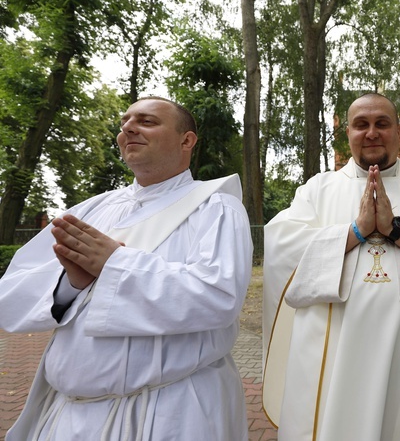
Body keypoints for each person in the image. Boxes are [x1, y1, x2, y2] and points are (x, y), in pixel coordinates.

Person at [0, 97, 252, 440]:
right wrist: (70, 286)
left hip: (169, 411)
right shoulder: (94, 209)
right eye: (125, 122)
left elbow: (219, 296)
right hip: (69, 415)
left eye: (147, 121)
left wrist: (115, 264)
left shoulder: (216, 206)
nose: (128, 128)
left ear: (186, 140)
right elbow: (11, 293)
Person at [262, 93, 400, 441]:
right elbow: (282, 246)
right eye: (361, 125)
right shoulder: (318, 189)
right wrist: (355, 232)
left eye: (382, 124)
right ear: (348, 133)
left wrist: (398, 230)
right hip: (335, 351)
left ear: (398, 131)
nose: (372, 133)